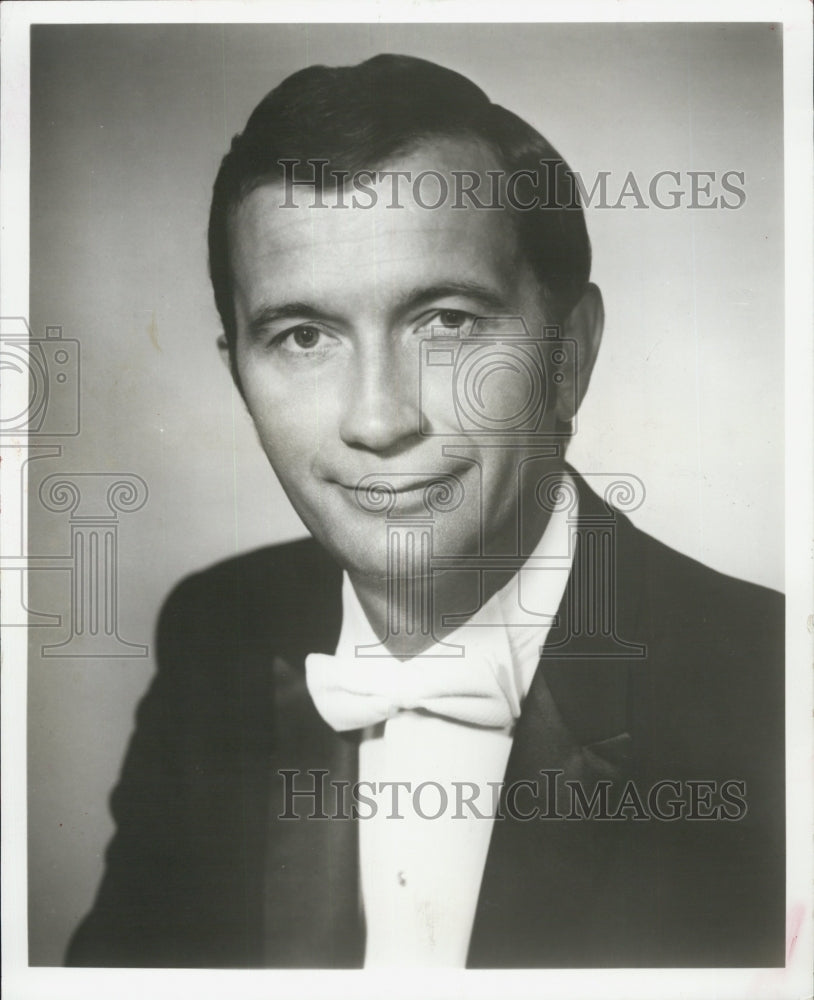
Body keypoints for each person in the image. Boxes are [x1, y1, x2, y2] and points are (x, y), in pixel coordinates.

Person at [66, 54, 784, 969]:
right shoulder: (217, 636)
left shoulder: (771, 689)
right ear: (238, 374)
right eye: (304, 336)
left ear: (569, 356)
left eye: (446, 322)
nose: (378, 420)